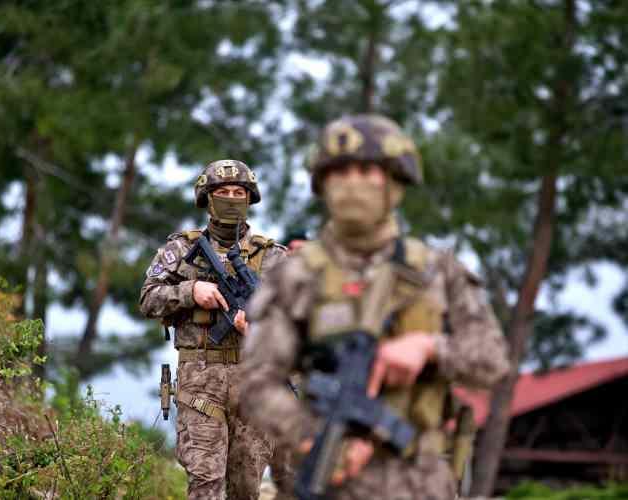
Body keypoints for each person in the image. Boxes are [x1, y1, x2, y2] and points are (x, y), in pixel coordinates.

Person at [240, 115, 511, 500]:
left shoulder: (438, 271)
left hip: (419, 482)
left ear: (395, 182)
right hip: (329, 479)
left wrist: (431, 349)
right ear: (322, 184)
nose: (353, 183)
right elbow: (258, 381)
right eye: (339, 172)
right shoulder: (294, 277)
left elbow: (492, 362)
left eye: (367, 170)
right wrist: (311, 438)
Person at [139, 159, 288, 500]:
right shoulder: (180, 250)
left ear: (250, 199)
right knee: (204, 484)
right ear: (207, 197)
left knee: (246, 488)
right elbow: (148, 299)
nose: (232, 198)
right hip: (200, 382)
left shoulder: (274, 257)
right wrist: (190, 292)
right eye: (223, 192)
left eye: (239, 192)